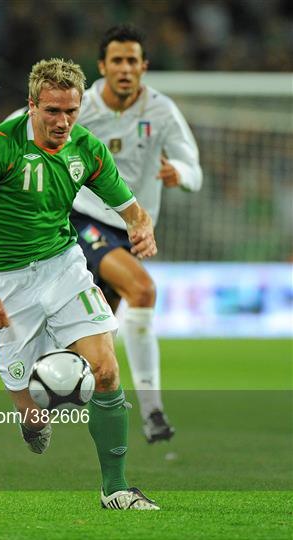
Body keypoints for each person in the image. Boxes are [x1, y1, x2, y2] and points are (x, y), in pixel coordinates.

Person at [0, 58, 160, 510]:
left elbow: (130, 207)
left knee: (105, 368)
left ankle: (115, 489)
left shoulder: (87, 149)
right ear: (32, 106)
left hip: (63, 267)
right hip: (5, 282)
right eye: (53, 111)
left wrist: (141, 226)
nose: (63, 122)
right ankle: (33, 421)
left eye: (71, 111)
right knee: (37, 413)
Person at [72, 25, 203, 443]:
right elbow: (23, 126)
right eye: (117, 61)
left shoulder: (161, 112)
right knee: (142, 291)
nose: (125, 69)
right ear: (102, 67)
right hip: (85, 220)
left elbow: (194, 170)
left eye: (133, 61)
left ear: (144, 66)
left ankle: (54, 395)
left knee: (98, 335)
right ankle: (154, 413)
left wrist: (178, 173)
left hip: (133, 229)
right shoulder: (81, 107)